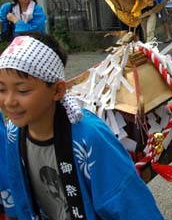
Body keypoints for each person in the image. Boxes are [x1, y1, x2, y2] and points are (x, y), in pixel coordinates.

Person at [0, 32, 163, 219]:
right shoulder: (14, 132)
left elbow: (128, 201)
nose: (9, 101)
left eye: (22, 90)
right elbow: (19, 191)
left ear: (57, 90)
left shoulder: (88, 136)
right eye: (1, 89)